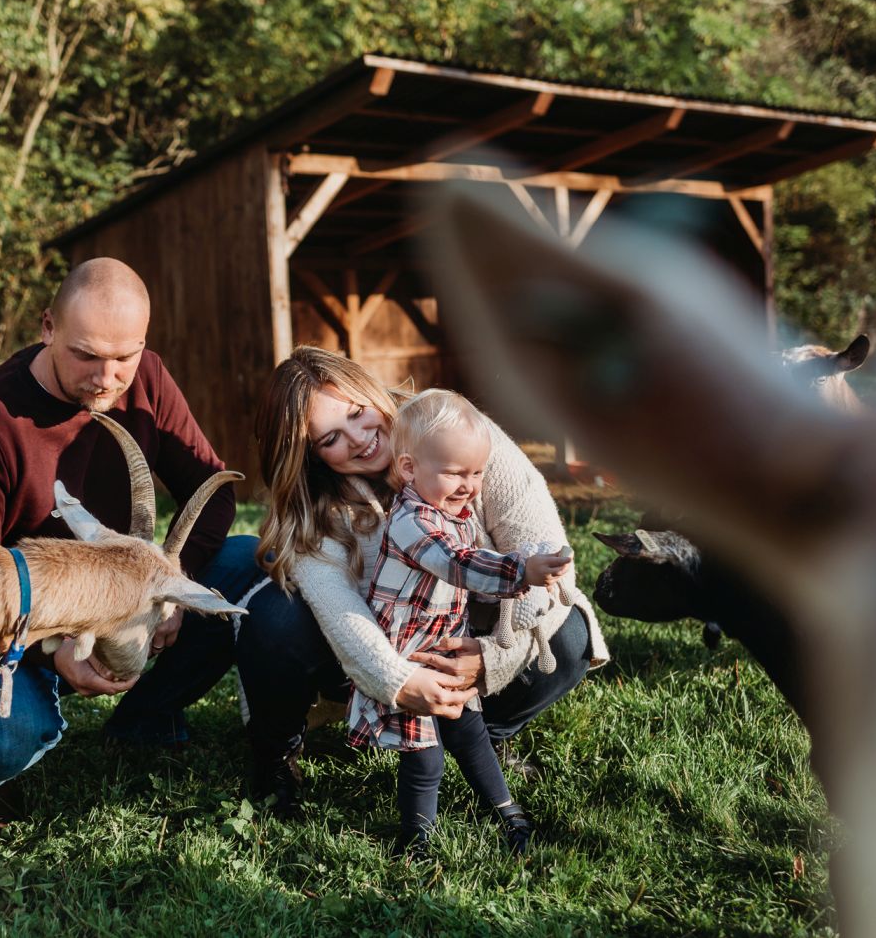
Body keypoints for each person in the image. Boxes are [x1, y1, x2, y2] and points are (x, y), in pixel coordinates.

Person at [0, 257, 263, 822]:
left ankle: (147, 715)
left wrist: (174, 588)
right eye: (85, 355)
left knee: (250, 562)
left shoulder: (148, 378)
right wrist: (56, 655)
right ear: (47, 328)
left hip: (134, 595)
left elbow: (213, 490)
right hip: (22, 628)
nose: (107, 379)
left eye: (124, 357)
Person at [237, 346, 609, 818]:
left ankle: (484, 735)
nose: (358, 439)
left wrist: (493, 656)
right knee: (273, 616)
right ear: (309, 457)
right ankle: (276, 756)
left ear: (371, 390)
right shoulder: (314, 512)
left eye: (357, 412)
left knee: (569, 631)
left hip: (468, 638)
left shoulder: (457, 433)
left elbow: (542, 547)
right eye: (331, 438)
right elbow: (340, 612)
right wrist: (399, 679)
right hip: (375, 651)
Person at [348, 389, 572, 858]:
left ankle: (507, 811)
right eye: (455, 473)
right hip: (409, 659)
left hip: (445, 644)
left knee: (471, 738)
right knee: (425, 758)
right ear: (409, 469)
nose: (469, 485)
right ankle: (417, 840)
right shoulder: (410, 521)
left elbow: (478, 567)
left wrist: (526, 571)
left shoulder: (458, 512)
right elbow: (458, 563)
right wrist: (520, 571)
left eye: (477, 473)